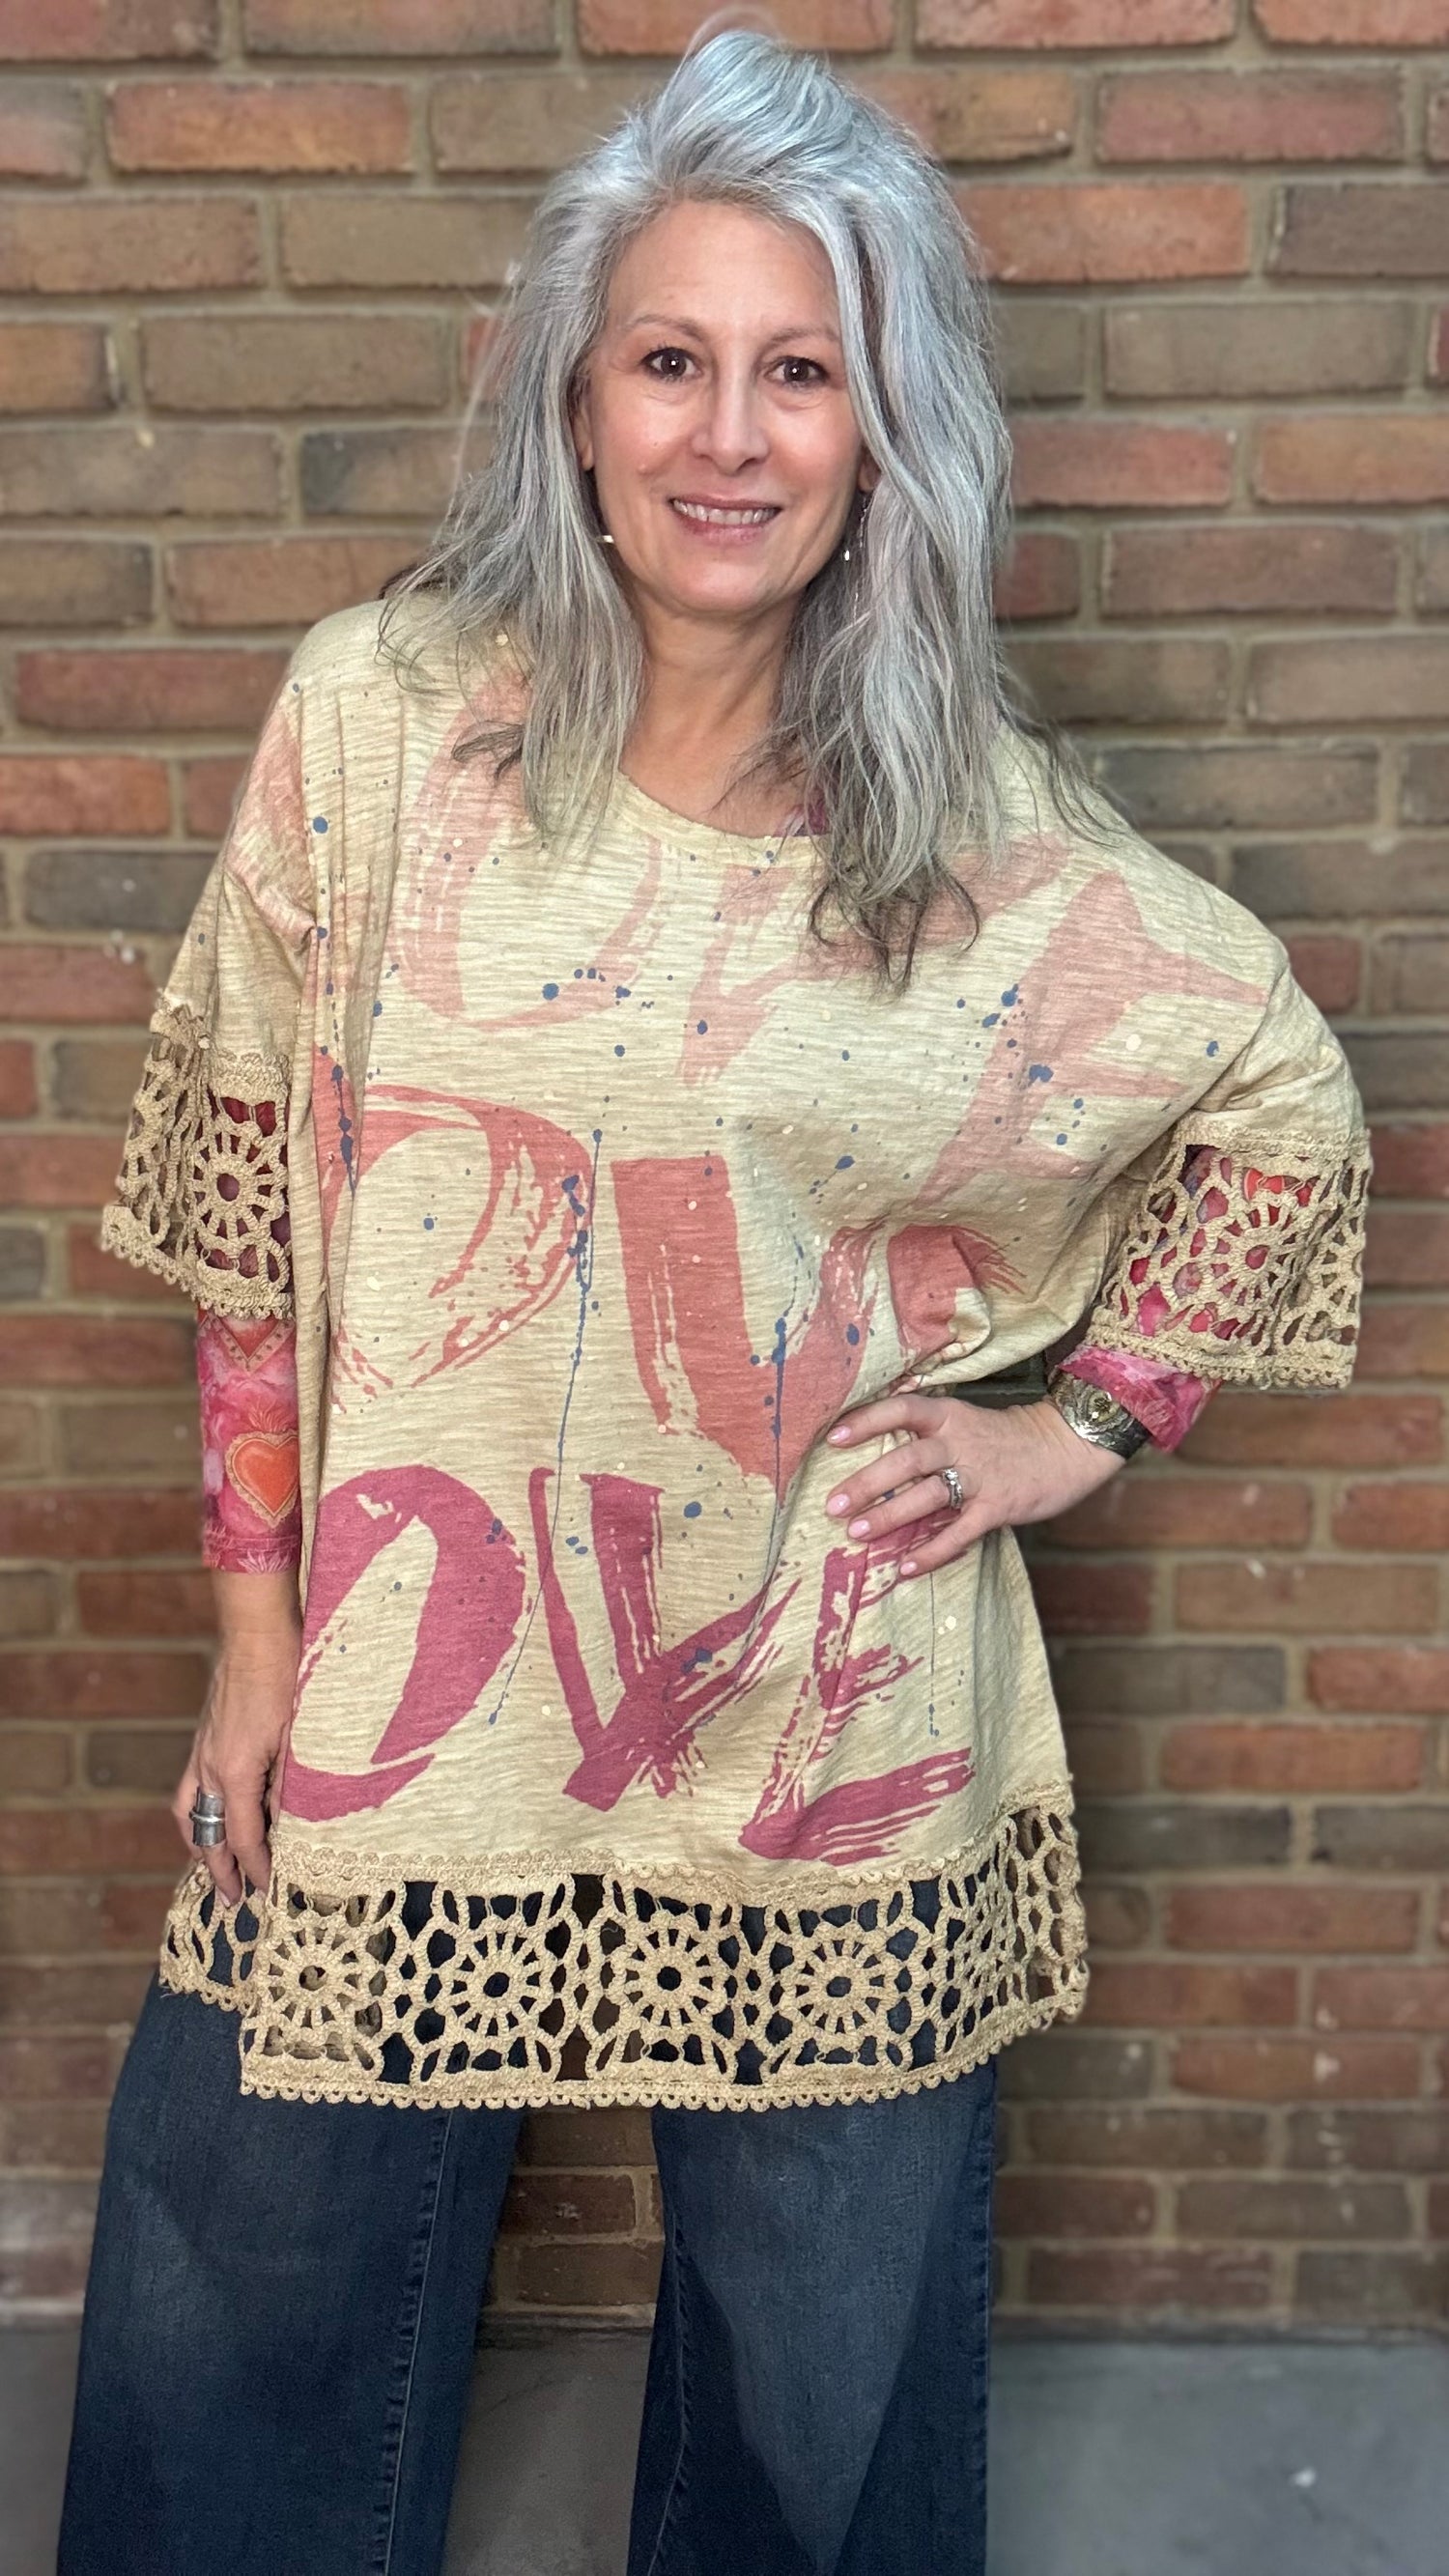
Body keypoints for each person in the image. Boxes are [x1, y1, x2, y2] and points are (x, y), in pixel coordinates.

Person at [60, 31, 1370, 2576]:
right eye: (673, 359)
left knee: (818, 2383)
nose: (733, 436)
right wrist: (252, 1617)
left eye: (805, 373)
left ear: (884, 431)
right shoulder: (379, 723)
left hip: (821, 1712)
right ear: (571, 392)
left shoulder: (973, 843)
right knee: (243, 2290)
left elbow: (1275, 1090)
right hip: (400, 1691)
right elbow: (255, 1186)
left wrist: (1067, 1432)